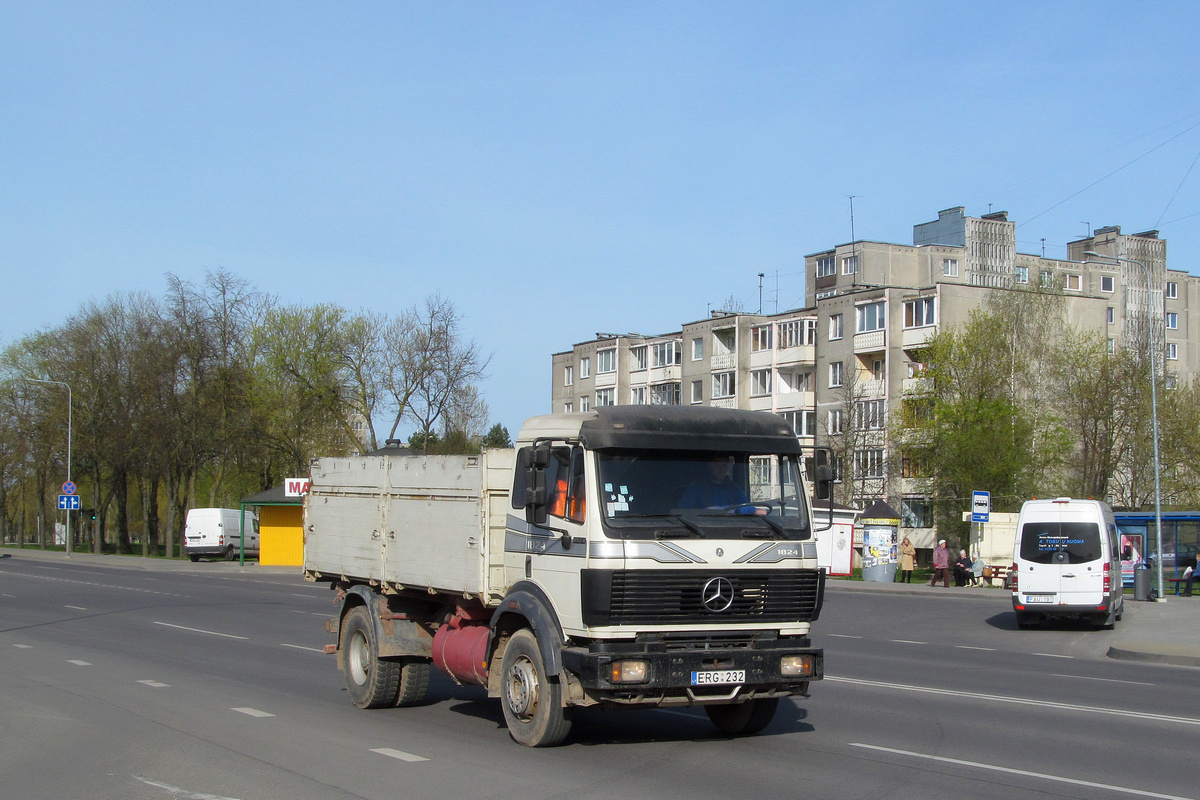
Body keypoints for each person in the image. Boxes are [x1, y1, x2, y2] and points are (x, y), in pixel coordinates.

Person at [678, 456, 765, 515]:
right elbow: (683, 512)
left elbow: (746, 507)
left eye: (724, 465)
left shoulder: (735, 489)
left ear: (729, 466)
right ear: (710, 465)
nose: (721, 468)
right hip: (701, 530)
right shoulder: (695, 489)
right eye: (717, 465)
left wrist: (755, 511)